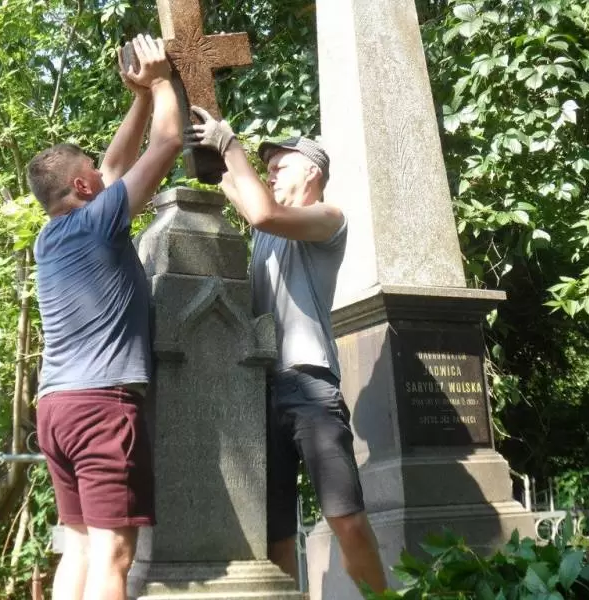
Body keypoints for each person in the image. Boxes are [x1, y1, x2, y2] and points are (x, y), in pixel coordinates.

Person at [184, 108, 387, 594]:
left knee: (346, 519)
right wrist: (202, 141)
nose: (270, 171)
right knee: (274, 534)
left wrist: (231, 142)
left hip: (309, 386)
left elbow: (262, 212)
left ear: (312, 171)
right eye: (267, 167)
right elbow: (234, 186)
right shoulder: (265, 230)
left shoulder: (328, 218)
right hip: (260, 390)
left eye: (281, 164)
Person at [26, 35, 181, 600]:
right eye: (90, 170)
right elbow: (168, 141)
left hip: (56, 409)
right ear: (81, 186)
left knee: (81, 549)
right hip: (101, 407)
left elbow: (114, 167)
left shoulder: (49, 237)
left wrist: (138, 97)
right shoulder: (99, 221)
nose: (102, 169)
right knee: (114, 554)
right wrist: (161, 82)